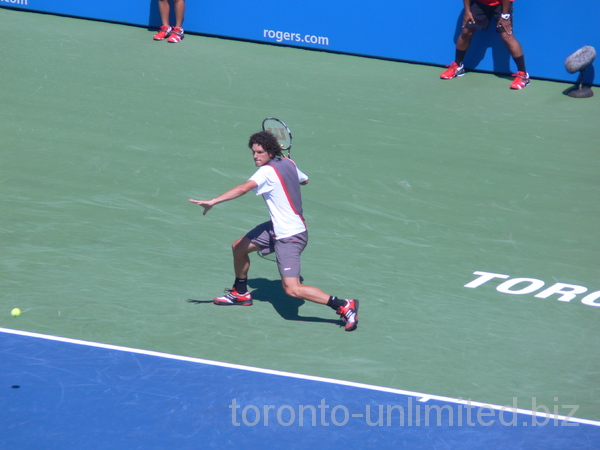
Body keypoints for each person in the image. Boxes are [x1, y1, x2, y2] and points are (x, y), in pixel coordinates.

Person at [189, 131, 359, 332]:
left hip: (290, 236)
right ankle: (240, 292)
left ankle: (343, 305)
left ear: (270, 151)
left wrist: (214, 201)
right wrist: (289, 166)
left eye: (260, 152)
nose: (255, 156)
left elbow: (244, 188)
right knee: (239, 247)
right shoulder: (289, 164)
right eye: (253, 152)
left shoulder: (266, 172)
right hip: (276, 228)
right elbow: (305, 181)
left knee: (292, 290)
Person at [440, 0, 530, 89]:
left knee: (506, 35)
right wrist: (467, 11)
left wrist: (505, 16)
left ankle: (523, 75)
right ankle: (457, 66)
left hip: (502, 4)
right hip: (479, 3)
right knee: (466, 31)